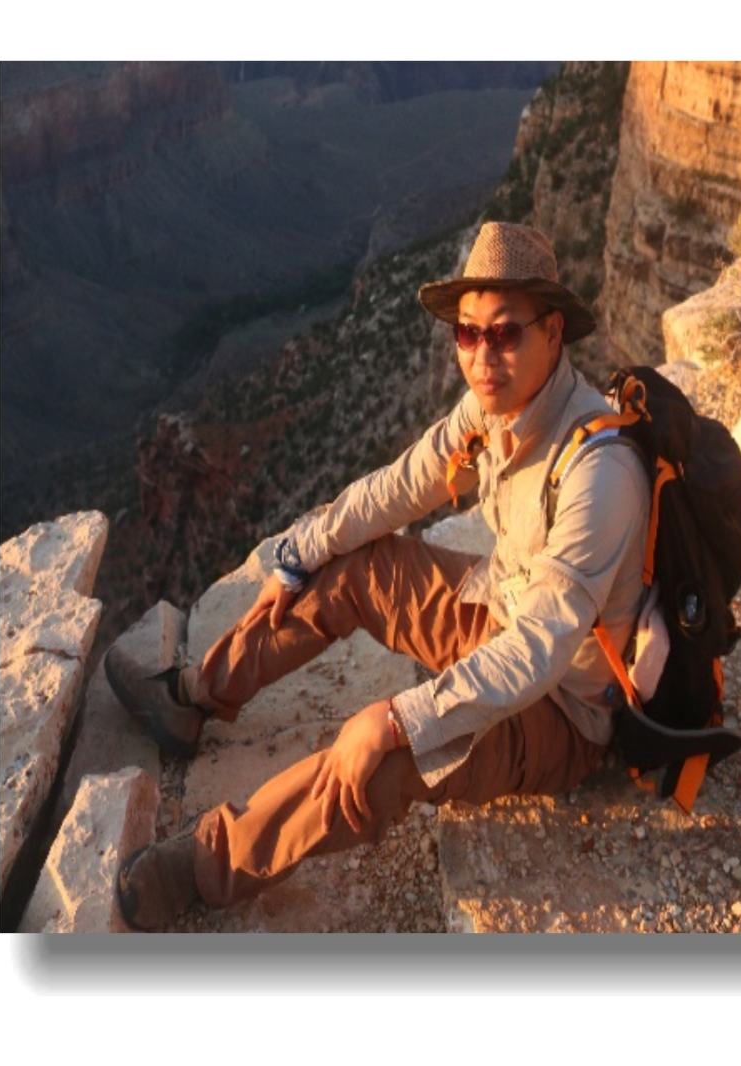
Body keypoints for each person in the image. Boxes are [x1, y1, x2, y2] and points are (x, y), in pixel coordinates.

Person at [104, 220, 651, 931]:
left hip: (564, 711)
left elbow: (537, 652)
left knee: (387, 761)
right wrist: (297, 555)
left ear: (553, 334)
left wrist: (395, 720)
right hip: (500, 610)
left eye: (505, 332)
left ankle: (209, 863)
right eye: (467, 333)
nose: (482, 355)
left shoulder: (597, 474)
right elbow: (399, 486)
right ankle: (195, 695)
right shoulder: (492, 410)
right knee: (356, 564)